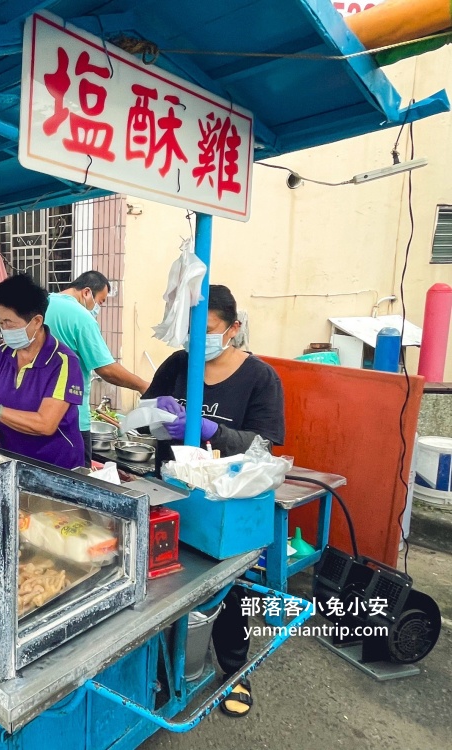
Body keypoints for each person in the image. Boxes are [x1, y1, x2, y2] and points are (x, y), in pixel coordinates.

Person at [144, 284, 285, 718]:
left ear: (233, 328)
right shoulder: (177, 364)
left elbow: (265, 444)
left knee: (229, 586)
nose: (196, 339)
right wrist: (155, 416)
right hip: (172, 491)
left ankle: (233, 668)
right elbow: (147, 414)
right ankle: (163, 667)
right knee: (164, 586)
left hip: (226, 502)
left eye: (207, 329)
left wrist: (211, 432)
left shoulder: (259, 378)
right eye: (190, 330)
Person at [0, 274, 85, 471]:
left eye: (9, 322)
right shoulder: (4, 353)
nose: (4, 329)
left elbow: (45, 424)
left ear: (37, 321)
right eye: (0, 322)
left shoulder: (63, 362)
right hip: (12, 458)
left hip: (56, 464)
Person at [44, 271, 150, 464]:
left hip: (38, 413)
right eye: (100, 301)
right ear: (86, 292)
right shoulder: (82, 317)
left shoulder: (44, 303)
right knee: (77, 482)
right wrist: (144, 386)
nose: (98, 308)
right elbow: (106, 370)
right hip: (71, 418)